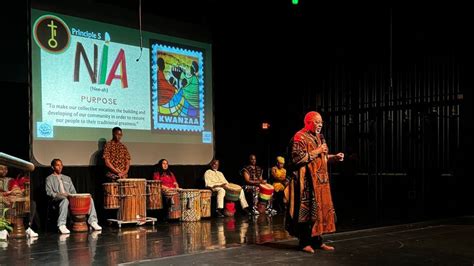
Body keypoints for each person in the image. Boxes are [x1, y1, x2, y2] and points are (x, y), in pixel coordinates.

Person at [285, 111, 344, 254]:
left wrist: (333, 157)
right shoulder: (299, 136)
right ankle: (305, 243)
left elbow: (320, 157)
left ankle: (317, 242)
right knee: (307, 212)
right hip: (306, 182)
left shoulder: (319, 137)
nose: (320, 125)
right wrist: (318, 150)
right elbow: (297, 159)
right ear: (308, 122)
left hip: (321, 182)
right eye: (317, 122)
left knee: (319, 211)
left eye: (321, 122)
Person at [45, 158, 102, 234]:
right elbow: (49, 192)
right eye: (57, 165)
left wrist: (74, 196)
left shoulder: (67, 178)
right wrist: (60, 195)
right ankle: (61, 225)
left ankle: (93, 221)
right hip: (57, 199)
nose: (60, 167)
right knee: (65, 200)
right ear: (53, 167)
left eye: (61, 165)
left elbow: (73, 192)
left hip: (70, 198)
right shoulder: (49, 179)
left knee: (89, 199)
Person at [0, 164, 38, 238]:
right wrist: (7, 193)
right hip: (3, 199)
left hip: (12, 200)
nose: (4, 171)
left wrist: (16, 191)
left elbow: (16, 189)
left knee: (31, 203)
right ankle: (2, 229)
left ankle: (27, 227)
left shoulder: (10, 180)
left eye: (6, 169)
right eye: (1, 169)